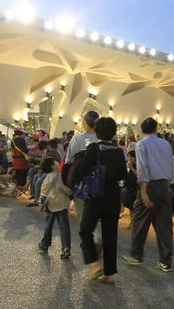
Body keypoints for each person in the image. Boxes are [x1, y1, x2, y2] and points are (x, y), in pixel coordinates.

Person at [77, 117, 127, 284]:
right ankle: (109, 274)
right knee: (110, 234)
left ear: (96, 131)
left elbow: (82, 170)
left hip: (95, 195)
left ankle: (95, 264)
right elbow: (122, 175)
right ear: (113, 133)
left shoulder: (92, 148)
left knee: (85, 230)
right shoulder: (119, 151)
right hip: (113, 196)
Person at [123, 118, 174, 272]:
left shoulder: (142, 144)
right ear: (156, 128)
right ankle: (166, 261)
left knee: (139, 219)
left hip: (150, 185)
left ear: (142, 129)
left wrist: (144, 193)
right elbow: (170, 166)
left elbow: (143, 170)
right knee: (164, 224)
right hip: (164, 185)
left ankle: (136, 255)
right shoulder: (165, 144)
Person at [65, 111, 100, 243]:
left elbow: (69, 161)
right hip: (98, 181)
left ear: (85, 122)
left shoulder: (77, 139)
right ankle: (95, 235)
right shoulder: (101, 139)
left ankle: (93, 238)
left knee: (82, 213)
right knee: (94, 211)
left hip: (80, 182)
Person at [38, 157, 72, 258]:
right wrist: (72, 192)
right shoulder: (59, 177)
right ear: (53, 166)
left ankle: (45, 244)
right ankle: (66, 248)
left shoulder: (47, 177)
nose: (58, 162)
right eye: (55, 161)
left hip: (50, 205)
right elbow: (67, 190)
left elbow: (43, 190)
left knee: (48, 226)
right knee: (64, 227)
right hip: (61, 205)